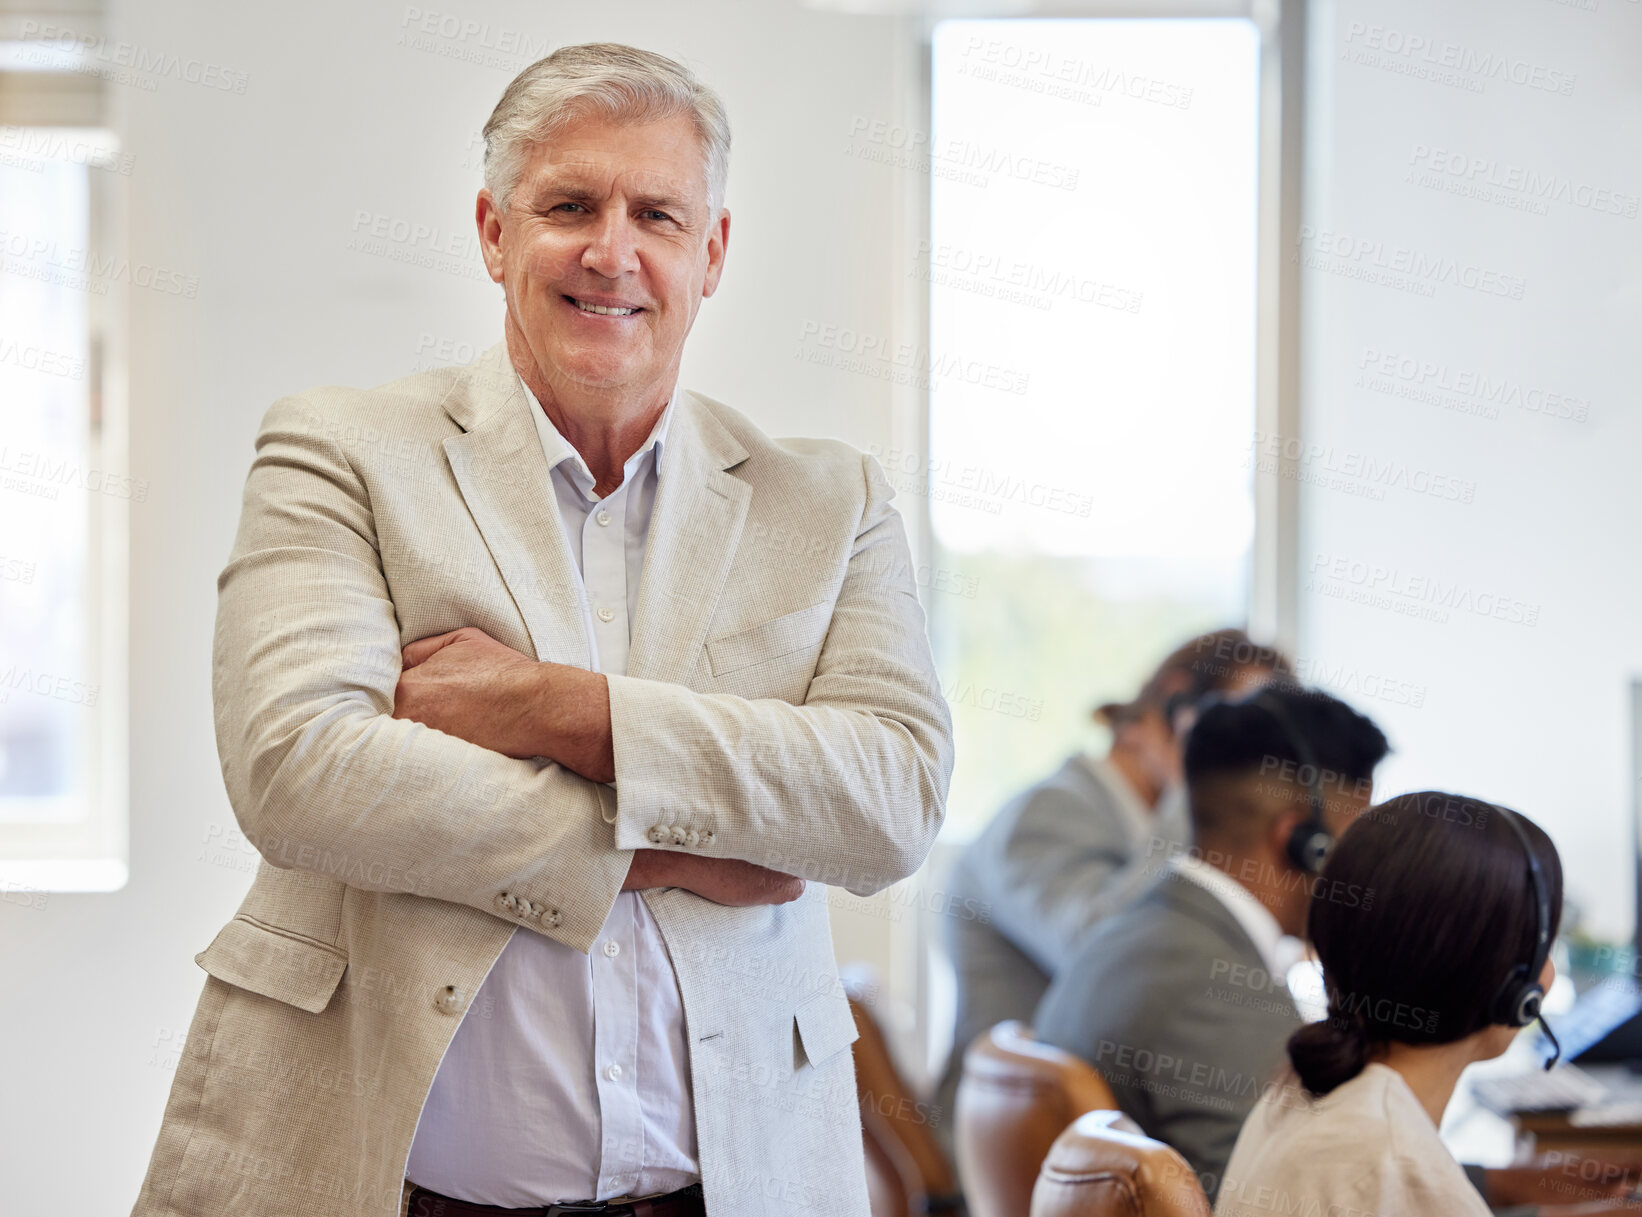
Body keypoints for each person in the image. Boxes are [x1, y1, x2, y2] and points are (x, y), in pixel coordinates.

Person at [131, 44, 952, 1217]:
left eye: (657, 214)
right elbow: (298, 768)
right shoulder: (343, 450)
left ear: (709, 254)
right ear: (493, 232)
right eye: (569, 204)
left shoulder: (831, 503)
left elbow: (891, 797)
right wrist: (679, 847)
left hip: (733, 1184)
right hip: (381, 1180)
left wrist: (543, 706)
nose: (611, 250)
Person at [1034, 684, 1389, 1204]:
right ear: (1303, 842)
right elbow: (1294, 1203)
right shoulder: (1212, 990)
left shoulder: (1145, 928)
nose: (1369, 870)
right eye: (1359, 839)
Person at [934, 630, 1291, 1143]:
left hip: (1089, 1133)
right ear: (1173, 703)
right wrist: (1195, 792)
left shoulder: (1141, 825)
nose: (1242, 760)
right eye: (1230, 727)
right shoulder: (1045, 813)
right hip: (1010, 1153)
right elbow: (1104, 952)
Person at [1215, 793, 1642, 1217]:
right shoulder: (1388, 1159)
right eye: (1544, 948)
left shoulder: (1304, 1095)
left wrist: (1519, 1184)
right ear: (1513, 988)